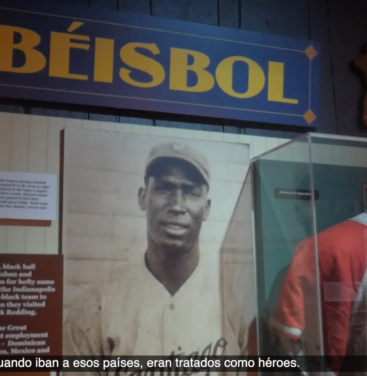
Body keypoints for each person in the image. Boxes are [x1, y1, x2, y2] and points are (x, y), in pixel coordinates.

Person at [64, 142, 249, 364]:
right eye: (164, 189)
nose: (177, 206)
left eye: (191, 192)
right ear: (143, 197)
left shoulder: (238, 302)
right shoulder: (96, 307)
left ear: (206, 208)